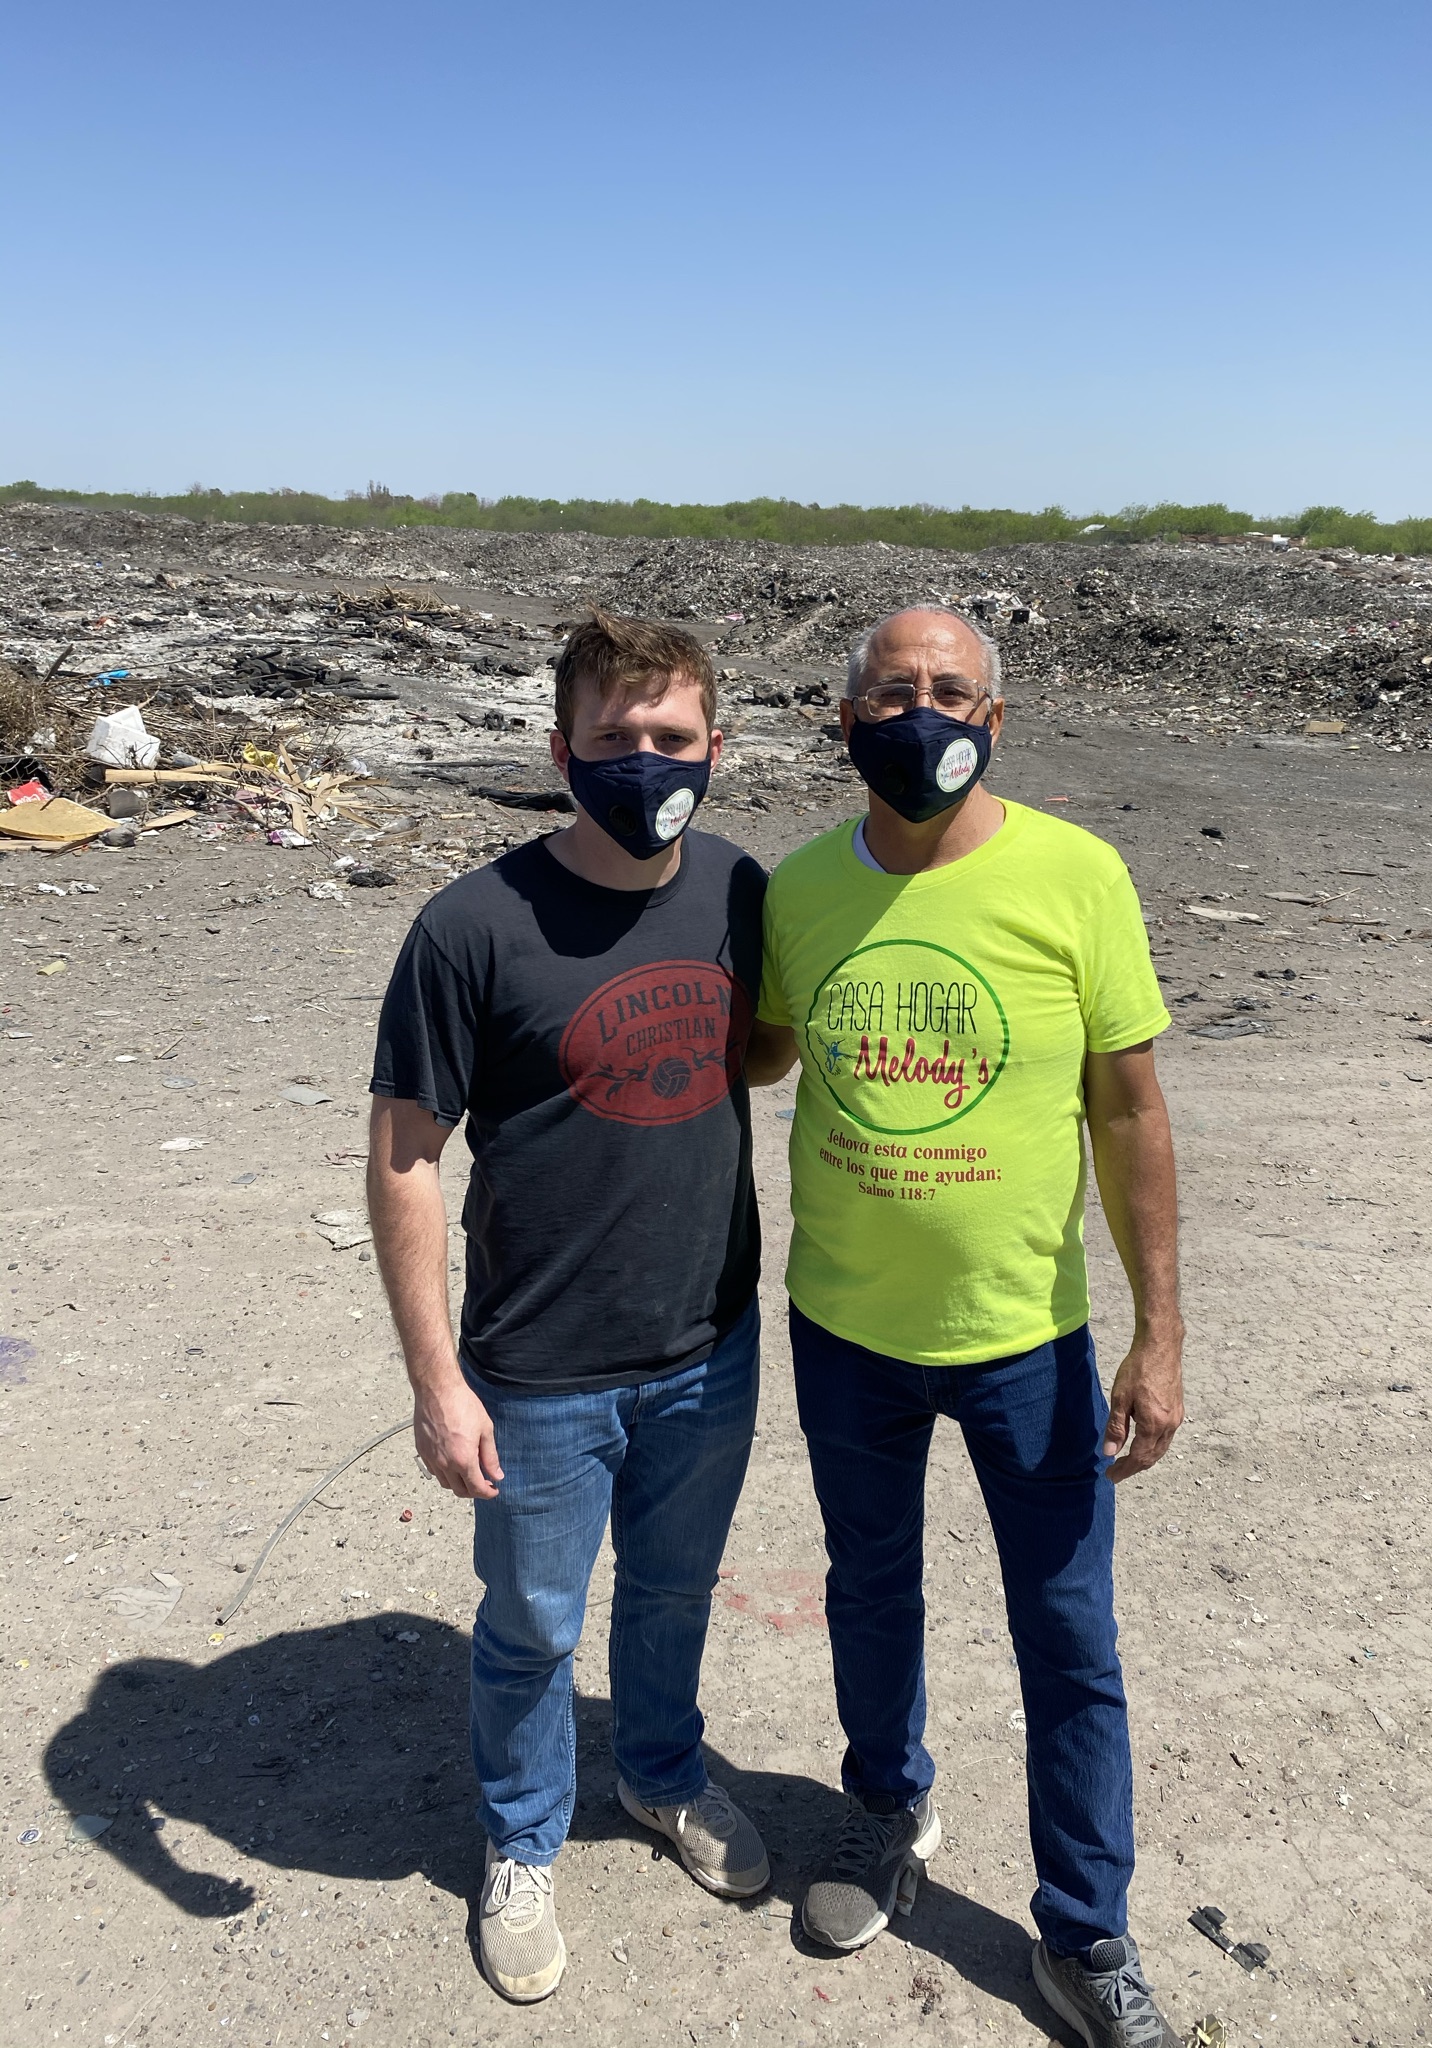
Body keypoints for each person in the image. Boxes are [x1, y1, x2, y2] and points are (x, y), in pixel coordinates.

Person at [749, 606, 1186, 2048]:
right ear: (844, 720)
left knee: (1067, 1632)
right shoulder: (801, 889)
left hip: (1026, 1340)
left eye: (951, 691)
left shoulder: (1077, 875)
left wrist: (1160, 1331)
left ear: (995, 722)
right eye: (893, 691)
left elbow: (1130, 1110)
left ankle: (1086, 1931)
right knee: (870, 1589)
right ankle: (886, 1807)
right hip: (846, 1330)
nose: (921, 713)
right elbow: (757, 1048)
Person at [367, 611, 771, 2007]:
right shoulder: (471, 926)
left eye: (672, 735)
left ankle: (660, 1774)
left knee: (671, 1591)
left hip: (708, 1345)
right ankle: (524, 1835)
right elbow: (406, 1158)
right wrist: (438, 1383)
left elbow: (766, 1053)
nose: (645, 759)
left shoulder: (741, 891)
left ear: (715, 747)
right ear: (560, 750)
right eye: (615, 735)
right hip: (539, 1368)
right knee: (534, 1624)